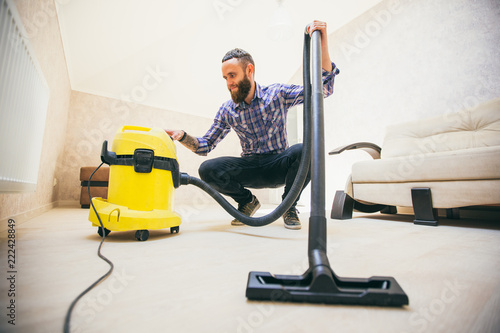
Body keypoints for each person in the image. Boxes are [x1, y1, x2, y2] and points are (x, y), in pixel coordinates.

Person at [166, 20, 339, 230]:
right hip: (249, 167)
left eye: (232, 75)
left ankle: (288, 205)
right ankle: (247, 201)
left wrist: (323, 38)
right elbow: (205, 146)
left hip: (278, 164)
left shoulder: (277, 94)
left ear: (249, 70)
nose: (229, 82)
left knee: (307, 149)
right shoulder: (227, 110)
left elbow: (324, 89)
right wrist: (183, 135)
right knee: (208, 169)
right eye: (225, 77)